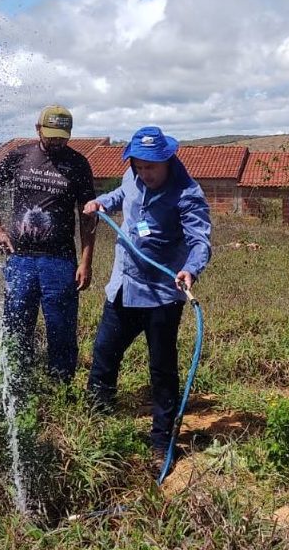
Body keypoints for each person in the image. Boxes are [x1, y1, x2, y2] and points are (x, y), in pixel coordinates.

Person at [83, 126, 212, 467]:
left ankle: (161, 445)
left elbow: (201, 241)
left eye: (150, 167)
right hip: (123, 287)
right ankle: (97, 427)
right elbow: (121, 195)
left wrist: (191, 269)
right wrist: (101, 202)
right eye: (139, 166)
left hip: (162, 296)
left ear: (168, 160)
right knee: (104, 357)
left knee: (161, 370)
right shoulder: (132, 175)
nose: (144, 173)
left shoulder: (187, 194)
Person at [0, 105, 97, 382]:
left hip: (59, 261)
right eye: (51, 136)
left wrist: (86, 261)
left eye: (63, 137)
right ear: (38, 129)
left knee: (61, 327)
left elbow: (89, 217)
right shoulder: (20, 156)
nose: (57, 141)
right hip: (20, 257)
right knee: (17, 323)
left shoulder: (78, 164)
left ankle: (61, 383)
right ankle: (17, 380)